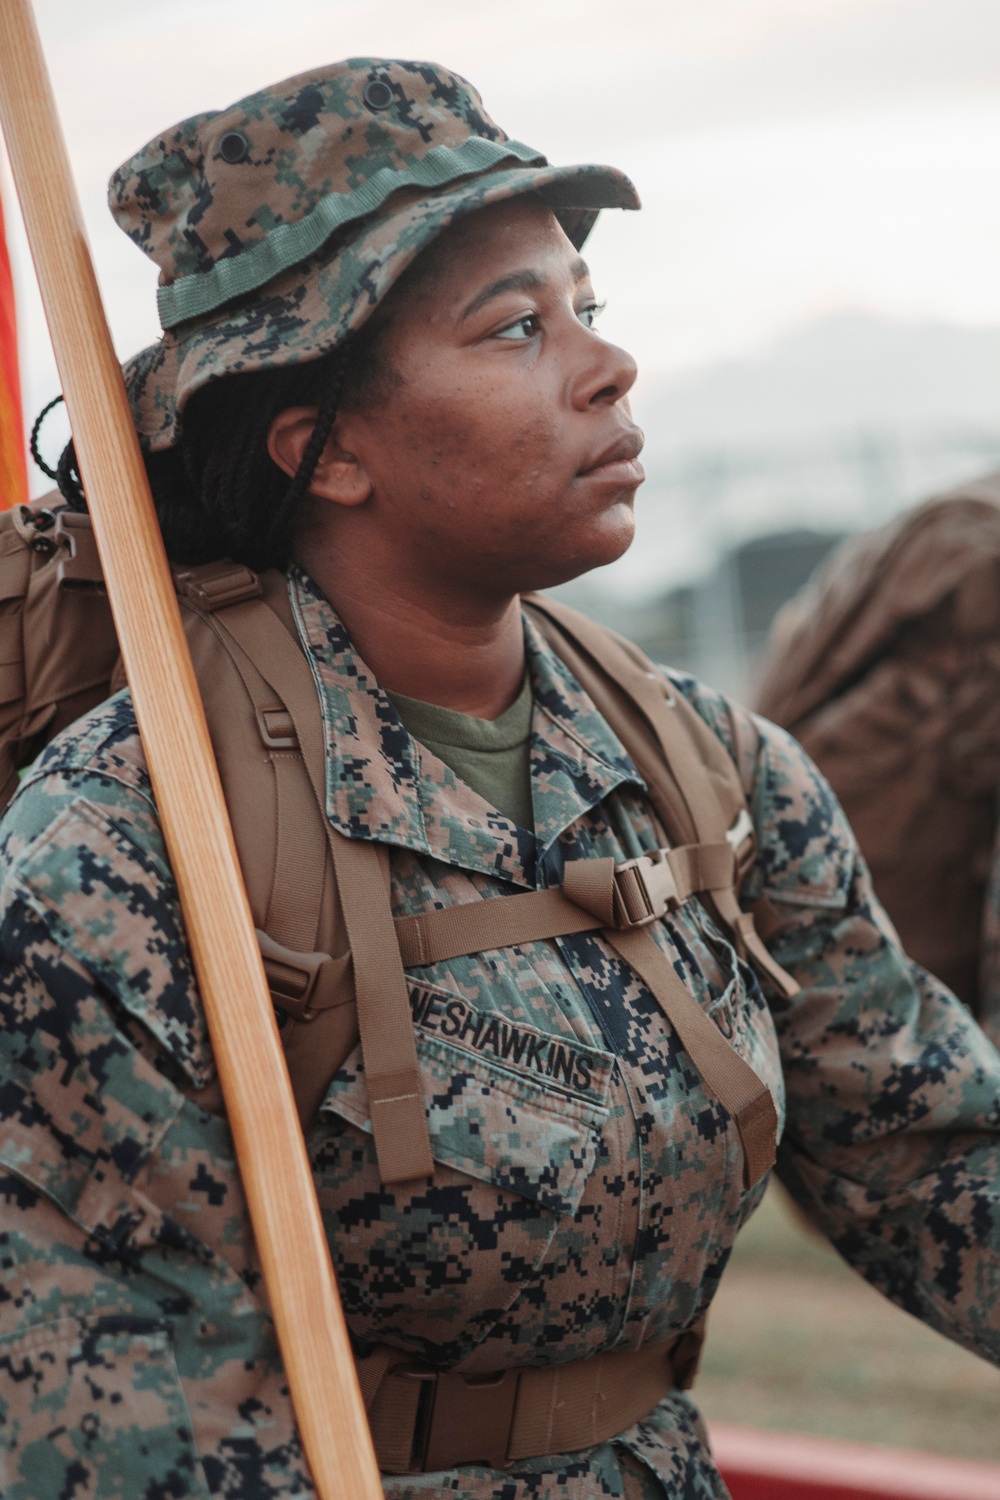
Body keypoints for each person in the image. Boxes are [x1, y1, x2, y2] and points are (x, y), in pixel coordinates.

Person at [2, 56, 1000, 1500]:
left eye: (588, 311)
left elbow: (928, 1157)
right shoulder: (134, 846)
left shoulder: (707, 765)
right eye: (516, 329)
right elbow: (125, 1429)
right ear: (325, 449)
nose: (607, 364)